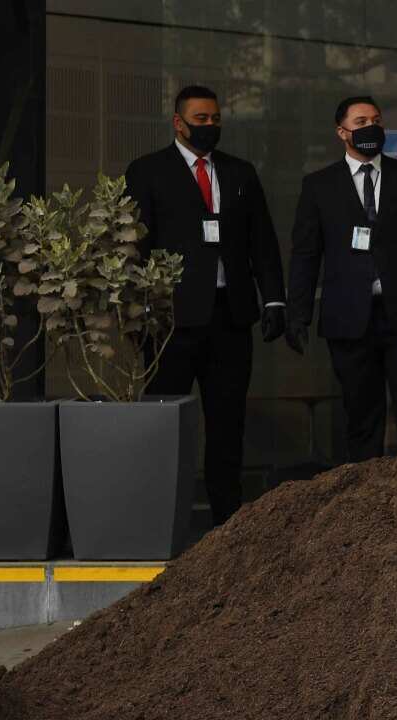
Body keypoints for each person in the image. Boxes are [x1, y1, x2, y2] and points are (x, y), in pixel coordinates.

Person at [124, 85, 287, 526]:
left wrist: (273, 297)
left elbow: (263, 243)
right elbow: (134, 246)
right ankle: (162, 519)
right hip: (170, 320)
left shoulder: (239, 173)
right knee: (167, 421)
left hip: (229, 316)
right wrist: (135, 310)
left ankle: (226, 523)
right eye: (201, 118)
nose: (210, 125)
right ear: (178, 123)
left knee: (227, 422)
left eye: (215, 118)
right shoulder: (147, 172)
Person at [286, 96, 397, 462]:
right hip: (349, 319)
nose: (372, 127)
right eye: (361, 121)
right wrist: (297, 313)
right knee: (361, 415)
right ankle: (364, 507)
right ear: (342, 132)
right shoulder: (319, 186)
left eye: (377, 120)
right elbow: (306, 254)